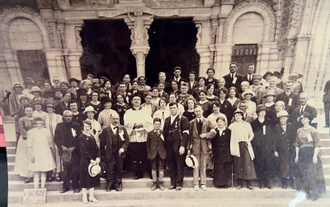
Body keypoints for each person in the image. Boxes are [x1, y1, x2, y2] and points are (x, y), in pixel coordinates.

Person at [294, 112, 326, 201]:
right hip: (302, 154)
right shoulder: (299, 130)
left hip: (311, 153)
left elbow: (317, 145)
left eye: (304, 118)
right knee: (303, 174)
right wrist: (296, 156)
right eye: (301, 118)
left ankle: (315, 193)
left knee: (312, 174)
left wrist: (315, 156)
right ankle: (306, 193)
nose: (303, 120)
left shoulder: (313, 130)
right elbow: (297, 144)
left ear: (308, 119)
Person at [124, 93, 153, 180]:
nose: (137, 101)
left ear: (141, 101)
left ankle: (149, 170)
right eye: (135, 99)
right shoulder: (128, 112)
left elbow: (149, 122)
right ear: (132, 101)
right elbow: (127, 124)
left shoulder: (146, 111)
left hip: (144, 135)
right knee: (135, 154)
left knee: (145, 152)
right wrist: (136, 125)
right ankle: (138, 172)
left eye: (138, 99)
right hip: (133, 135)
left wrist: (141, 124)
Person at [187, 105, 215, 191]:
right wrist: (188, 148)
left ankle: (203, 183)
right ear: (194, 112)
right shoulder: (191, 123)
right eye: (196, 111)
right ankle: (195, 183)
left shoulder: (208, 121)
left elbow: (213, 132)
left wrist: (206, 135)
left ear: (202, 111)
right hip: (195, 146)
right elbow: (189, 137)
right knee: (195, 165)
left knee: (203, 166)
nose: (198, 113)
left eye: (199, 111)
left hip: (205, 146)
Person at [100, 113, 129, 191]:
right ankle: (109, 184)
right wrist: (102, 155)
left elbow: (127, 140)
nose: (116, 120)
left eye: (117, 119)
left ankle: (117, 184)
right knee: (109, 168)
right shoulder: (105, 130)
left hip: (119, 153)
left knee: (119, 168)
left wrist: (123, 148)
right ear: (110, 119)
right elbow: (102, 143)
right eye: (114, 119)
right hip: (109, 153)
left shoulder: (122, 128)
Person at [54, 110, 82, 193]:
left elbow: (80, 138)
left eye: (70, 116)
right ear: (63, 117)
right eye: (67, 116)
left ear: (72, 117)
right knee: (66, 169)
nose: (68, 118)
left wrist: (74, 147)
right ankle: (65, 187)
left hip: (75, 151)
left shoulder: (76, 126)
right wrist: (62, 147)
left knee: (75, 169)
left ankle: (76, 186)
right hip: (64, 151)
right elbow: (56, 138)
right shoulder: (59, 126)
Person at [163, 102, 189, 191]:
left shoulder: (183, 119)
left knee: (179, 165)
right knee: (171, 165)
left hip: (178, 146)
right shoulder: (167, 120)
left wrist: (182, 146)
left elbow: (186, 133)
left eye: (174, 108)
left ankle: (179, 183)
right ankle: (173, 182)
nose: (172, 109)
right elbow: (164, 133)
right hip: (169, 146)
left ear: (177, 109)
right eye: (171, 108)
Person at [228, 109, 257, 190]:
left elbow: (251, 134)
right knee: (238, 164)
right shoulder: (232, 126)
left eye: (239, 115)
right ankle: (239, 183)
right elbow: (228, 135)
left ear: (242, 116)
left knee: (247, 163)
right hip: (237, 145)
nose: (237, 117)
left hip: (246, 145)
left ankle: (249, 183)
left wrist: (248, 140)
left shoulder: (247, 125)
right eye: (236, 116)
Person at [251, 105, 275, 189]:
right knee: (260, 164)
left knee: (267, 164)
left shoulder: (269, 122)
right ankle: (260, 182)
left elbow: (272, 135)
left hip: (268, 147)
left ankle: (267, 182)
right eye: (261, 112)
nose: (263, 113)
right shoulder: (254, 123)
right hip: (258, 147)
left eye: (264, 112)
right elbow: (252, 136)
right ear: (257, 113)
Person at [27, 117, 56, 189]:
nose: (39, 125)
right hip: (36, 152)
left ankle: (43, 187)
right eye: (38, 123)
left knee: (44, 170)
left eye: (41, 123)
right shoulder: (31, 132)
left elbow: (50, 144)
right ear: (35, 124)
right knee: (36, 171)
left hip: (45, 152)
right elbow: (29, 145)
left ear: (43, 124)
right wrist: (31, 155)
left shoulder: (47, 131)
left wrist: (52, 153)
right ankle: (36, 188)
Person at [79, 120, 101, 203]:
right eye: (85, 126)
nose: (87, 128)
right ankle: (84, 197)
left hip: (94, 161)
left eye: (88, 126)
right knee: (84, 178)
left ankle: (91, 196)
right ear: (83, 127)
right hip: (85, 161)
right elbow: (83, 150)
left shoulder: (92, 137)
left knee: (93, 177)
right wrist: (90, 159)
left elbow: (96, 148)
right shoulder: (81, 137)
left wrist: (98, 157)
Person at [274, 110, 296, 189]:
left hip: (290, 149)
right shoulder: (277, 127)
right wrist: (275, 150)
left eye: (284, 118)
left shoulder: (291, 126)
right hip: (281, 150)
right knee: (282, 166)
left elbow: (294, 137)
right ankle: (284, 183)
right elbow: (275, 140)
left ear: (287, 118)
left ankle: (291, 182)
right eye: (281, 119)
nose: (283, 120)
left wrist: (294, 146)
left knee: (291, 165)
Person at [210, 115, 232, 188]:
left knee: (226, 167)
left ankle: (226, 183)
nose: (220, 123)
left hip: (226, 152)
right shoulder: (214, 131)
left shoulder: (228, 131)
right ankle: (218, 183)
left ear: (224, 122)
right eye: (218, 122)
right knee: (219, 168)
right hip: (217, 152)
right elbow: (212, 142)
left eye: (221, 122)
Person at [14, 104, 34, 183]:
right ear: (25, 112)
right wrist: (27, 136)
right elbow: (22, 129)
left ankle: (34, 174)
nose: (29, 112)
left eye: (30, 111)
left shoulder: (35, 118)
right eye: (27, 111)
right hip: (25, 139)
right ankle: (28, 175)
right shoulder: (22, 119)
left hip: (34, 139)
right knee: (26, 156)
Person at [44, 102, 63, 182]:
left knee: (57, 156)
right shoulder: (44, 117)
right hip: (47, 139)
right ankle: (51, 173)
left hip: (56, 138)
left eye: (51, 107)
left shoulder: (58, 117)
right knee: (49, 155)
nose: (49, 109)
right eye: (48, 107)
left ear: (53, 108)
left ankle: (58, 173)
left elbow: (60, 128)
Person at [146, 118, 167, 191]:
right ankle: (154, 183)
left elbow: (166, 143)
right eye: (156, 124)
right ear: (153, 124)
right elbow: (147, 145)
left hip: (161, 153)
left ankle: (160, 183)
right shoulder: (150, 133)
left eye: (158, 124)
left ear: (160, 125)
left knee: (161, 169)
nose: (157, 125)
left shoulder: (163, 133)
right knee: (154, 169)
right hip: (153, 153)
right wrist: (149, 153)